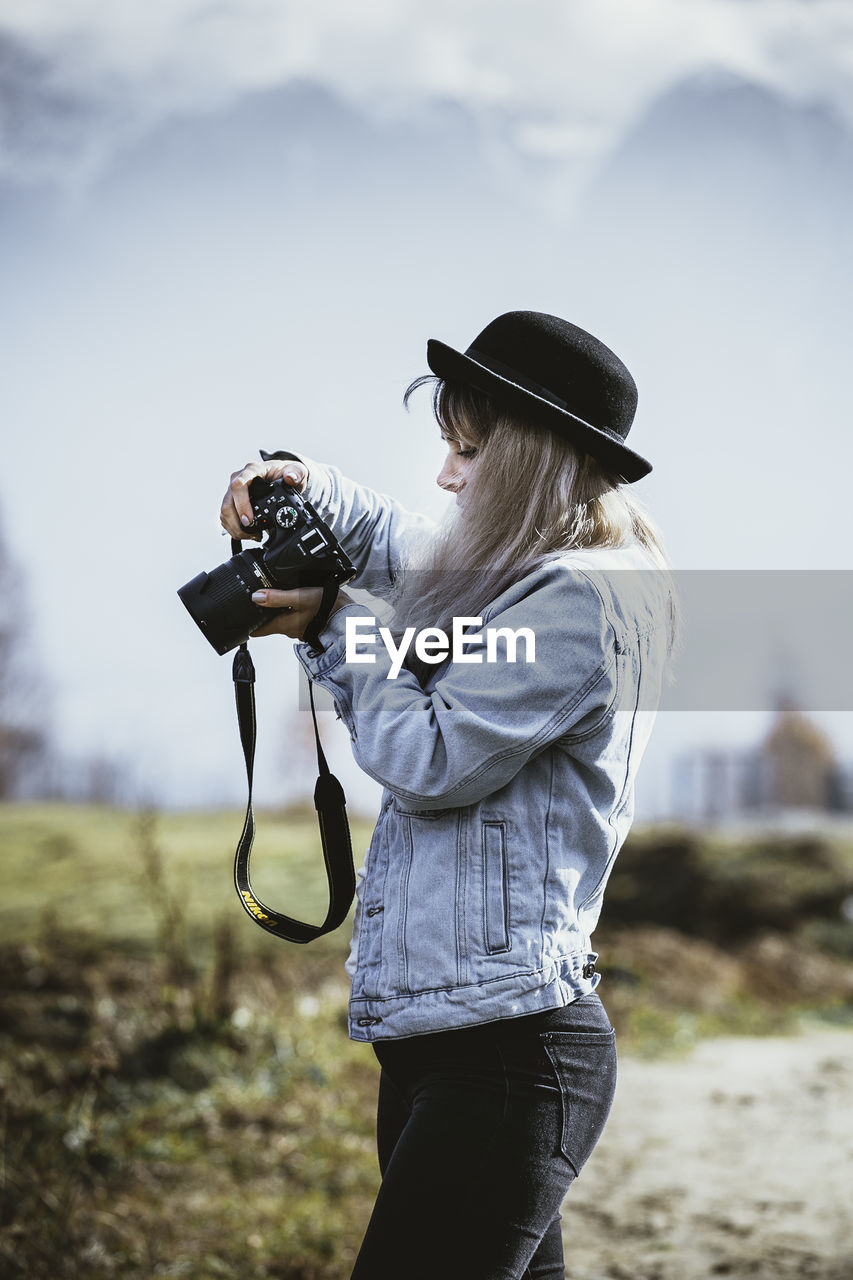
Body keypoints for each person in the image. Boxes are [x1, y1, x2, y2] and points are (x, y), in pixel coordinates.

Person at [219, 311, 674, 1279]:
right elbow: (406, 545)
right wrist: (303, 487)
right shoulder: (521, 574)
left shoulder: (582, 599)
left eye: (467, 450)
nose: (446, 474)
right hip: (449, 1039)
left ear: (531, 461)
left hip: (508, 1056)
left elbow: (429, 756)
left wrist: (339, 624)